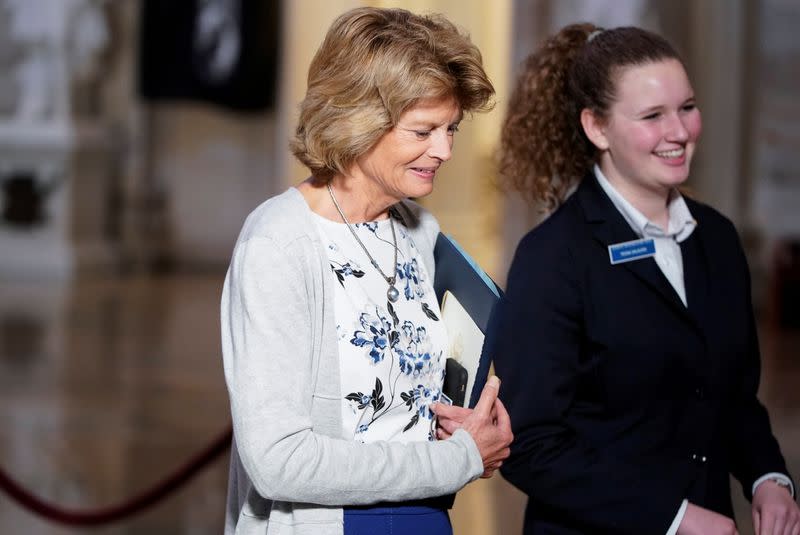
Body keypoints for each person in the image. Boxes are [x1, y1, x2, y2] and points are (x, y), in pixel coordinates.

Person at [491, 23, 800, 535]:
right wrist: (672, 519)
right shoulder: (552, 257)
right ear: (597, 128)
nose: (679, 132)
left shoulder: (718, 239)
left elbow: (733, 397)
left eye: (687, 108)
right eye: (653, 116)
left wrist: (769, 477)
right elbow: (530, 445)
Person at [220, 7, 512, 535]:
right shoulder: (279, 245)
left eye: (452, 129)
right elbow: (278, 462)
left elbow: (418, 398)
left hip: (426, 518)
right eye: (423, 130)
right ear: (359, 120)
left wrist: (462, 426)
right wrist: (460, 460)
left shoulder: (418, 227)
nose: (444, 150)